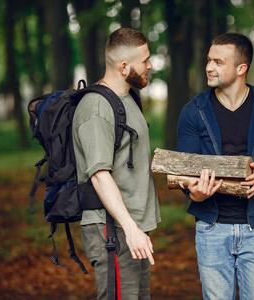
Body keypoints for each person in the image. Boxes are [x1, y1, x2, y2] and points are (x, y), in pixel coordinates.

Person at [177, 32, 254, 299]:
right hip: (211, 228)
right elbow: (186, 172)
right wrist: (193, 193)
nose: (209, 67)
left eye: (219, 62)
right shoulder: (193, 110)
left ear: (241, 68)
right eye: (209, 60)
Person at [72, 28, 161, 299]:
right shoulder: (97, 107)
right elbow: (99, 174)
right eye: (145, 59)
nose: (150, 65)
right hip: (112, 230)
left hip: (130, 228)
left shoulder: (128, 98)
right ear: (124, 66)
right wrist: (131, 229)